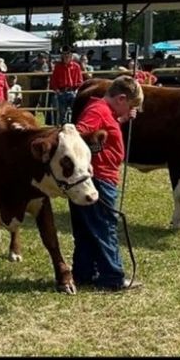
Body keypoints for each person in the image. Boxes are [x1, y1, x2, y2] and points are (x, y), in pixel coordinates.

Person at [71, 75, 144, 292]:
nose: (130, 110)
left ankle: (84, 273)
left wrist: (121, 120)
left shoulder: (102, 111)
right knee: (105, 227)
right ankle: (112, 276)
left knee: (86, 228)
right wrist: (88, 161)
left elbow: (94, 129)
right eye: (130, 105)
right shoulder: (98, 111)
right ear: (121, 98)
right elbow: (78, 134)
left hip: (94, 179)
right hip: (100, 179)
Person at [48, 49, 84, 126]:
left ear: (71, 56)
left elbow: (80, 80)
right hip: (62, 92)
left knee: (75, 112)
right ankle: (64, 128)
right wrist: (57, 90)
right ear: (62, 56)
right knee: (62, 114)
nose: (66, 57)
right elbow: (53, 80)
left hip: (73, 91)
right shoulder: (58, 67)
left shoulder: (76, 66)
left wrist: (77, 90)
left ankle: (74, 128)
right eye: (64, 56)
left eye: (68, 55)